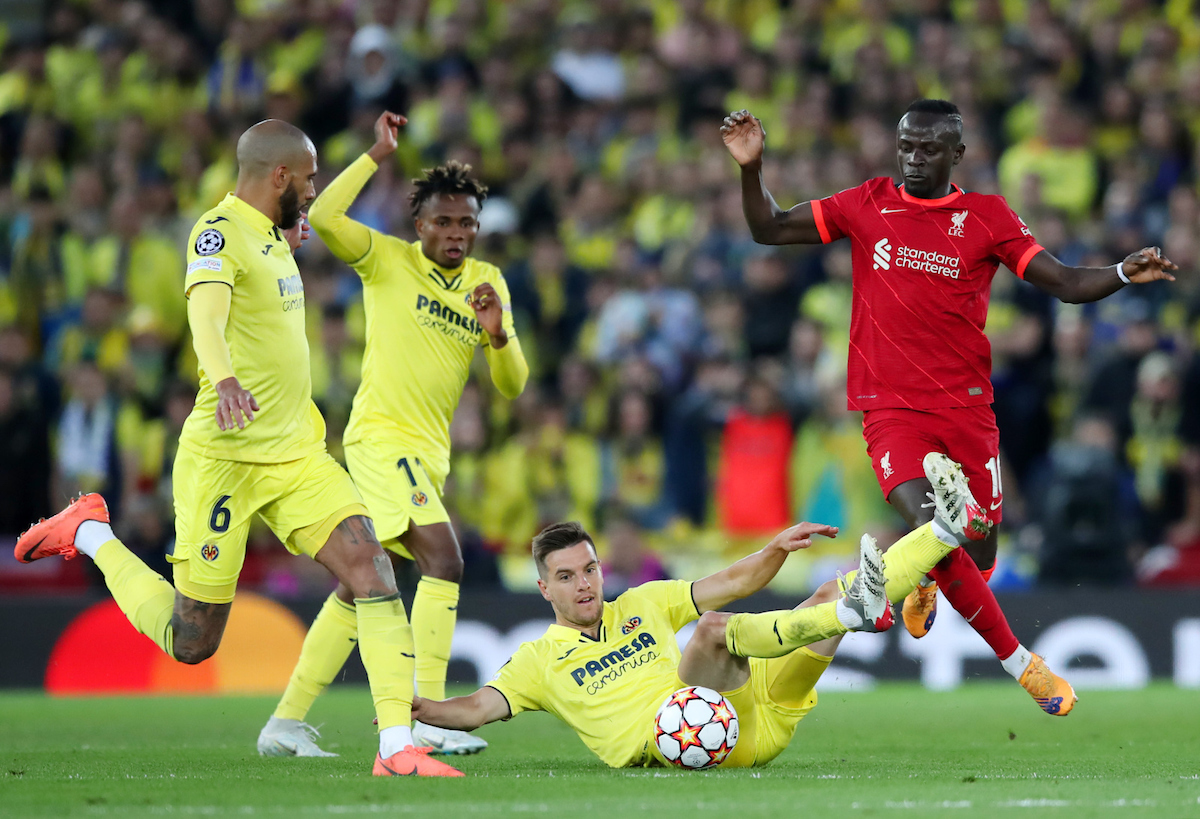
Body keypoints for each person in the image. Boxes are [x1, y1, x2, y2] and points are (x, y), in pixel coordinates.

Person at [15, 119, 462, 778]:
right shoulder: (216, 232)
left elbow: (273, 262)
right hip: (224, 460)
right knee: (192, 640)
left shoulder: (275, 233)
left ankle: (398, 746)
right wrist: (223, 376)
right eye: (308, 179)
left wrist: (358, 169)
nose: (313, 191)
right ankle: (88, 533)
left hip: (298, 453)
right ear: (278, 175)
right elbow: (206, 311)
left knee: (372, 567)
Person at [720, 98, 1179, 716]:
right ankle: (1025, 664)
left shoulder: (986, 218)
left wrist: (1121, 272)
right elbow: (767, 228)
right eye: (906, 145)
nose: (913, 157)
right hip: (890, 407)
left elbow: (1065, 284)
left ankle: (926, 583)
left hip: (965, 408)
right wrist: (751, 169)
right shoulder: (865, 203)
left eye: (929, 148)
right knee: (938, 525)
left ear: (956, 154)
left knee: (977, 552)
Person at [410, 453, 995, 768]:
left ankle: (945, 529)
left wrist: (774, 548)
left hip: (761, 707)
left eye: (588, 569)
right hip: (699, 734)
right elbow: (475, 709)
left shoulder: (640, 602)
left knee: (822, 595)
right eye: (566, 577)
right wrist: (405, 711)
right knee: (713, 632)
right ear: (544, 588)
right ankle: (855, 611)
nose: (584, 585)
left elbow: (734, 580)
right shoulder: (537, 660)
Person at [257, 111, 528, 758]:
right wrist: (377, 153)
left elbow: (513, 384)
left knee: (359, 582)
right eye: (444, 221)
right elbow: (322, 220)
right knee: (445, 560)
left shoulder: (489, 282)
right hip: (380, 440)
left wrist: (498, 334)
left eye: (467, 222)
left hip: (429, 454)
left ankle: (285, 721)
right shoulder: (387, 260)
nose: (457, 233)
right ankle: (431, 711)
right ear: (420, 225)